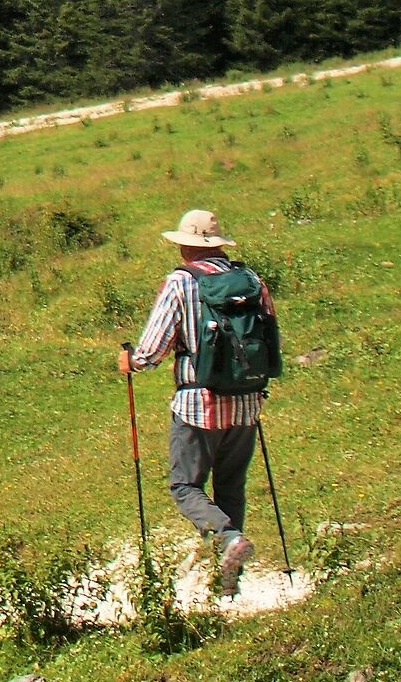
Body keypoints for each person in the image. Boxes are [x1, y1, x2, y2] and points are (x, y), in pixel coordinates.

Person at [120, 207, 282, 595]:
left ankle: (228, 540)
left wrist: (131, 361)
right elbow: (270, 333)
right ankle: (228, 583)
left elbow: (152, 350)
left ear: (186, 249)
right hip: (246, 403)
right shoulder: (251, 280)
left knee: (185, 486)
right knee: (231, 486)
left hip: (198, 403)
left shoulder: (180, 283)